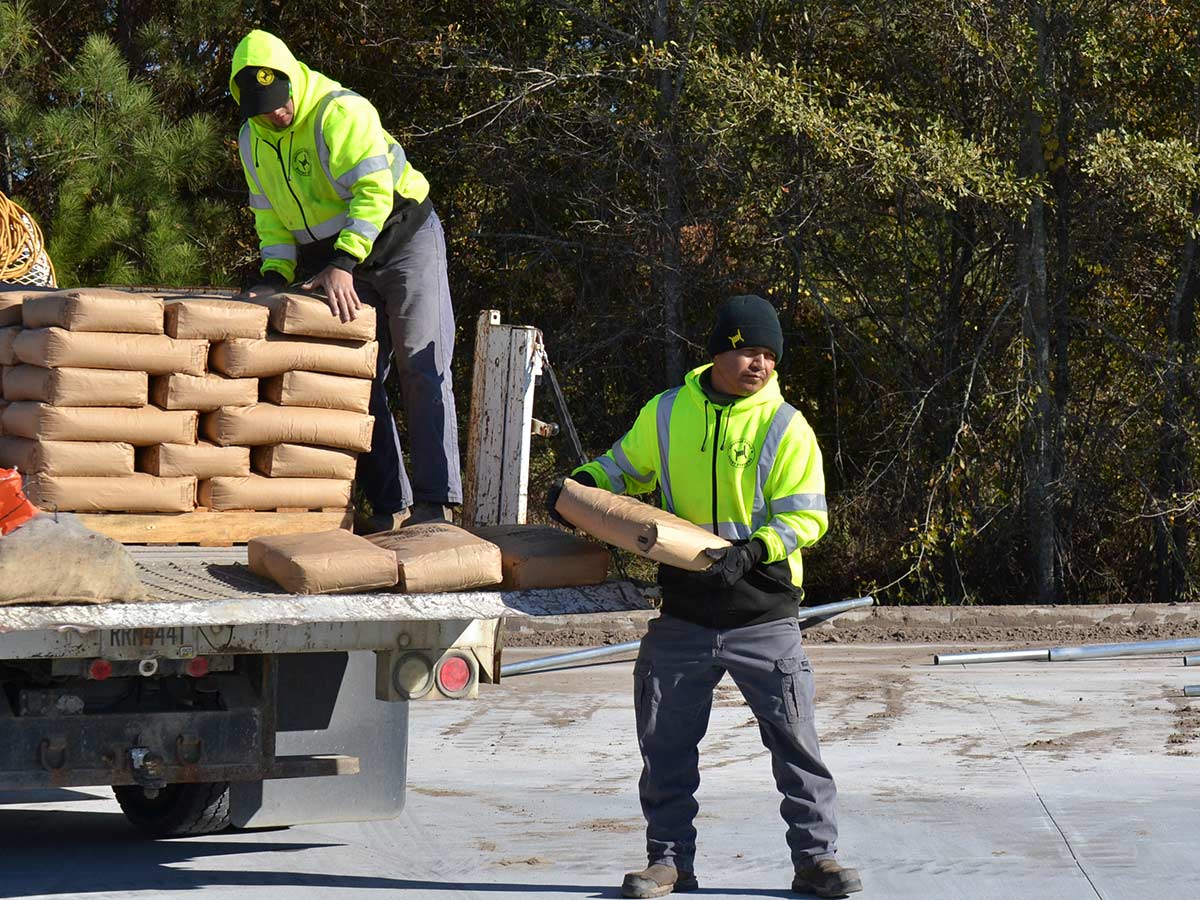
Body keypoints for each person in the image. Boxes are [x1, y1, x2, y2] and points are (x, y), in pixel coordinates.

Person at [547, 295, 862, 898]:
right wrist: (581, 487)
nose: (760, 364)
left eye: (769, 355)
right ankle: (669, 863)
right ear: (718, 352)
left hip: (764, 614)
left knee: (796, 745)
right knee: (664, 744)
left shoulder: (785, 425)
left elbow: (807, 516)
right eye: (748, 351)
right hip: (684, 614)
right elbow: (622, 468)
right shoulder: (667, 412)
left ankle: (816, 861)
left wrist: (754, 550)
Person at [229, 29, 461, 530]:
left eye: (281, 100)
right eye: (263, 108)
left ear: (294, 80)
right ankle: (390, 506)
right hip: (340, 260)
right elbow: (269, 217)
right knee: (354, 377)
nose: (277, 113)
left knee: (421, 364)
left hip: (402, 239)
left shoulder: (339, 112)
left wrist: (344, 262)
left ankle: (435, 504)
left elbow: (375, 192)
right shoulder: (251, 141)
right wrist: (274, 274)